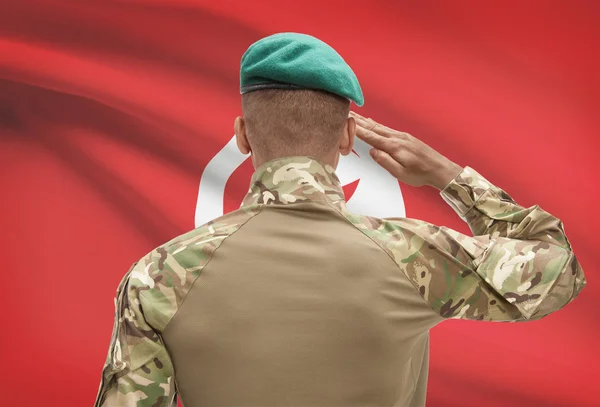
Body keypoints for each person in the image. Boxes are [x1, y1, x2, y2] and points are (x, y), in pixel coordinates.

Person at [94, 33, 586, 407]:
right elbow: (559, 267)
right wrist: (447, 175)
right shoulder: (416, 257)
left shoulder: (157, 276)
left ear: (242, 135)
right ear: (350, 136)